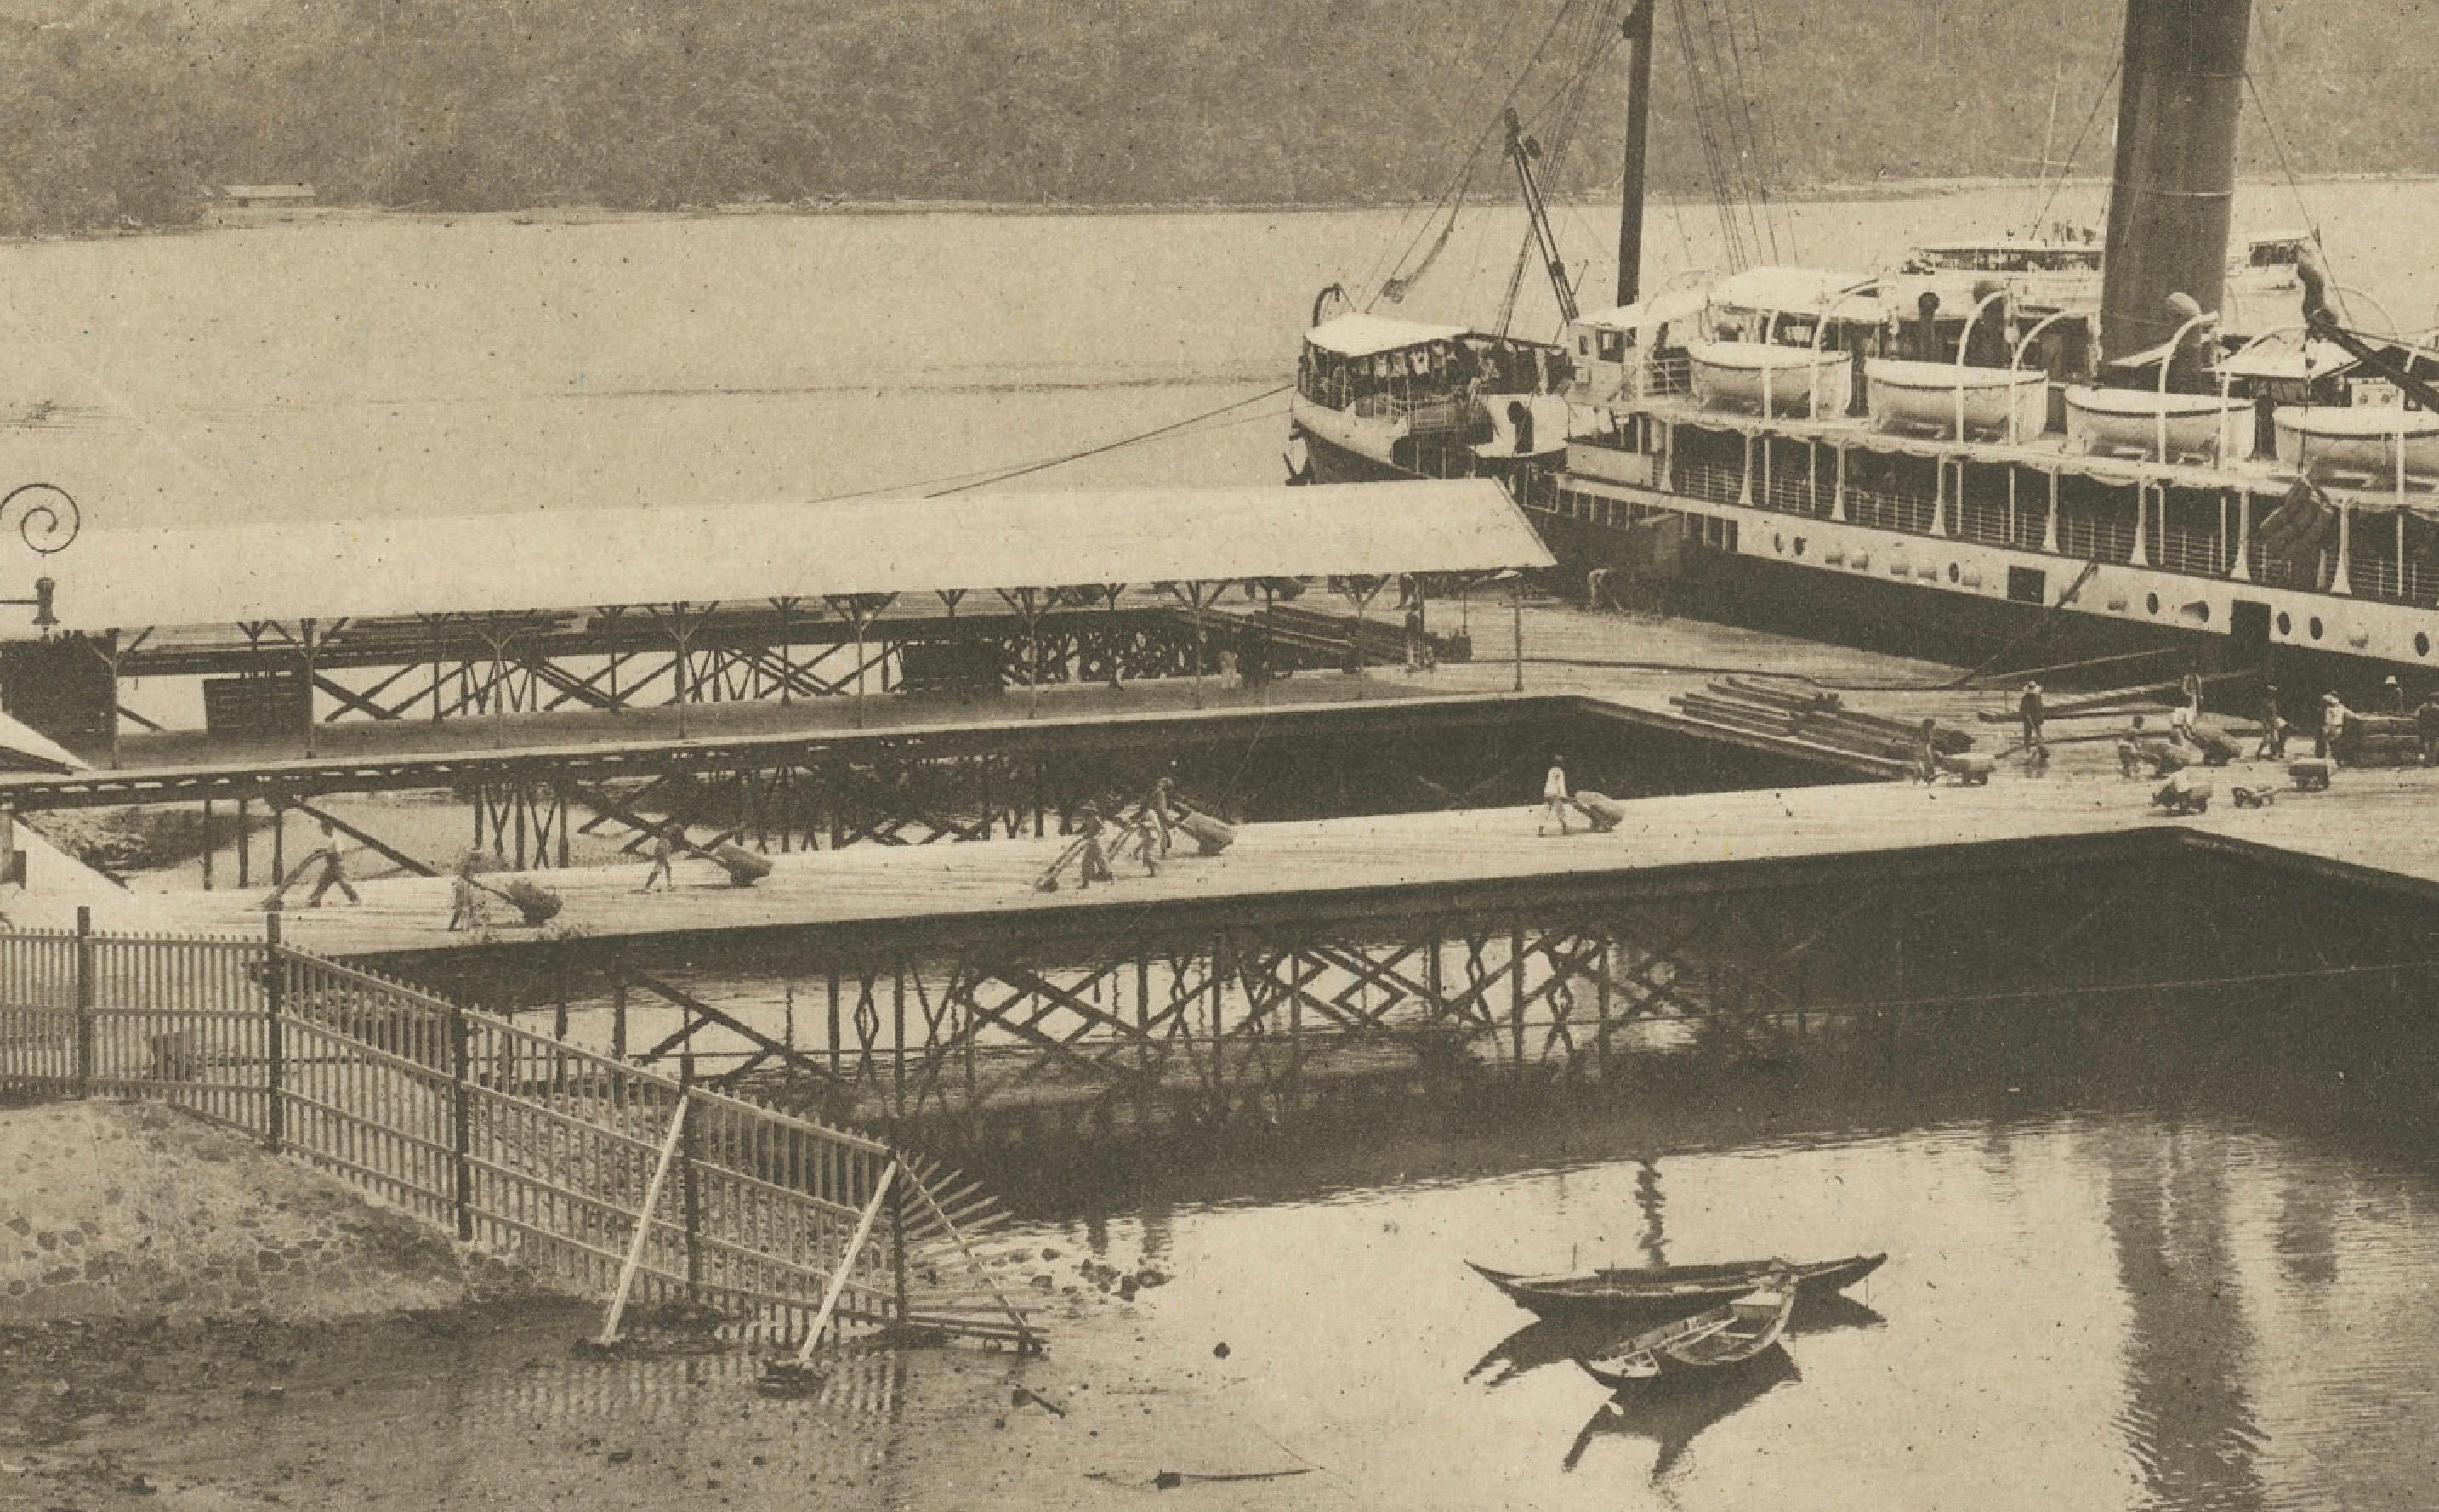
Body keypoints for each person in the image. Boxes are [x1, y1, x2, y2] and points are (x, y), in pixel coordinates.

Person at [270, 821, 359, 909]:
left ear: (329, 828)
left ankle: (356, 899)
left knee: (344, 884)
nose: (323, 831)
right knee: (322, 883)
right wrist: (322, 851)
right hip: (331, 866)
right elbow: (331, 850)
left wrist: (323, 854)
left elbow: (338, 853)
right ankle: (315, 900)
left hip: (337, 866)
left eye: (324, 829)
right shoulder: (332, 839)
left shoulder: (335, 840)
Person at [446, 850, 488, 933]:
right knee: (461, 907)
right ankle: (454, 927)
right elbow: (466, 877)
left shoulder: (470, 864)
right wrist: (478, 884)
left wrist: (477, 884)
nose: (481, 858)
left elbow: (469, 878)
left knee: (470, 905)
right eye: (479, 856)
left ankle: (468, 926)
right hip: (462, 886)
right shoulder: (470, 864)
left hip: (464, 885)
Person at [638, 821, 679, 894]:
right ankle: (647, 887)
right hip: (662, 857)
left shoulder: (665, 839)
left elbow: (663, 849)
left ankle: (669, 885)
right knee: (657, 871)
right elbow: (660, 850)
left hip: (664, 855)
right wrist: (661, 857)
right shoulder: (663, 840)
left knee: (668, 868)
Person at [1538, 755, 1574, 836]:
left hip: (1547, 793)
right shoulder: (1560, 771)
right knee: (1560, 811)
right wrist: (1564, 796)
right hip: (1555, 794)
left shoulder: (1551, 770)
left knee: (1546, 811)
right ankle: (1565, 829)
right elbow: (1560, 784)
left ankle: (1540, 830)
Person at [2319, 691, 2351, 766]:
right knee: (2332, 744)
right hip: (2331, 727)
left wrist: (2358, 717)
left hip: (2336, 727)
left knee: (2336, 744)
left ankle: (2337, 760)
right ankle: (2334, 760)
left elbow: (2350, 714)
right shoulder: (2330, 708)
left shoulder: (2340, 707)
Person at [2257, 683, 2286, 759]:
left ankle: (2273, 754)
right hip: (2268, 722)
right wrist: (2265, 724)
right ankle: (2259, 752)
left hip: (2274, 722)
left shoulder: (2273, 701)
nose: (2274, 694)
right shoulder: (2265, 702)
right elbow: (2263, 715)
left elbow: (2275, 712)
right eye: (2273, 692)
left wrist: (2278, 721)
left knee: (2275, 739)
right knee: (2266, 739)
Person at [2017, 680, 2044, 751]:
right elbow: (2022, 710)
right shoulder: (2025, 698)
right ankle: (2027, 749)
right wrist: (2027, 716)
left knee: (2038, 734)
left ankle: (2040, 748)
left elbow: (2041, 708)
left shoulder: (2038, 697)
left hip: (2036, 718)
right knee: (2028, 735)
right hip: (2028, 719)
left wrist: (2041, 718)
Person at [1403, 597, 1427, 674]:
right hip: (1415, 634)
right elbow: (1418, 627)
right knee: (1419, 646)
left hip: (1409, 633)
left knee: (1410, 647)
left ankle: (1411, 662)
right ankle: (1421, 661)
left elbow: (1407, 625)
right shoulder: (1417, 617)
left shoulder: (1408, 615)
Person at [1914, 718, 1939, 786]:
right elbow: (1928, 746)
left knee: (1920, 764)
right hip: (1925, 750)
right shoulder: (1928, 734)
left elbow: (1916, 742)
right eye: (1933, 726)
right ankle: (1927, 779)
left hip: (1918, 750)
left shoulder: (1920, 732)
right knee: (1928, 764)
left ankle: (1918, 778)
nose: (1934, 728)